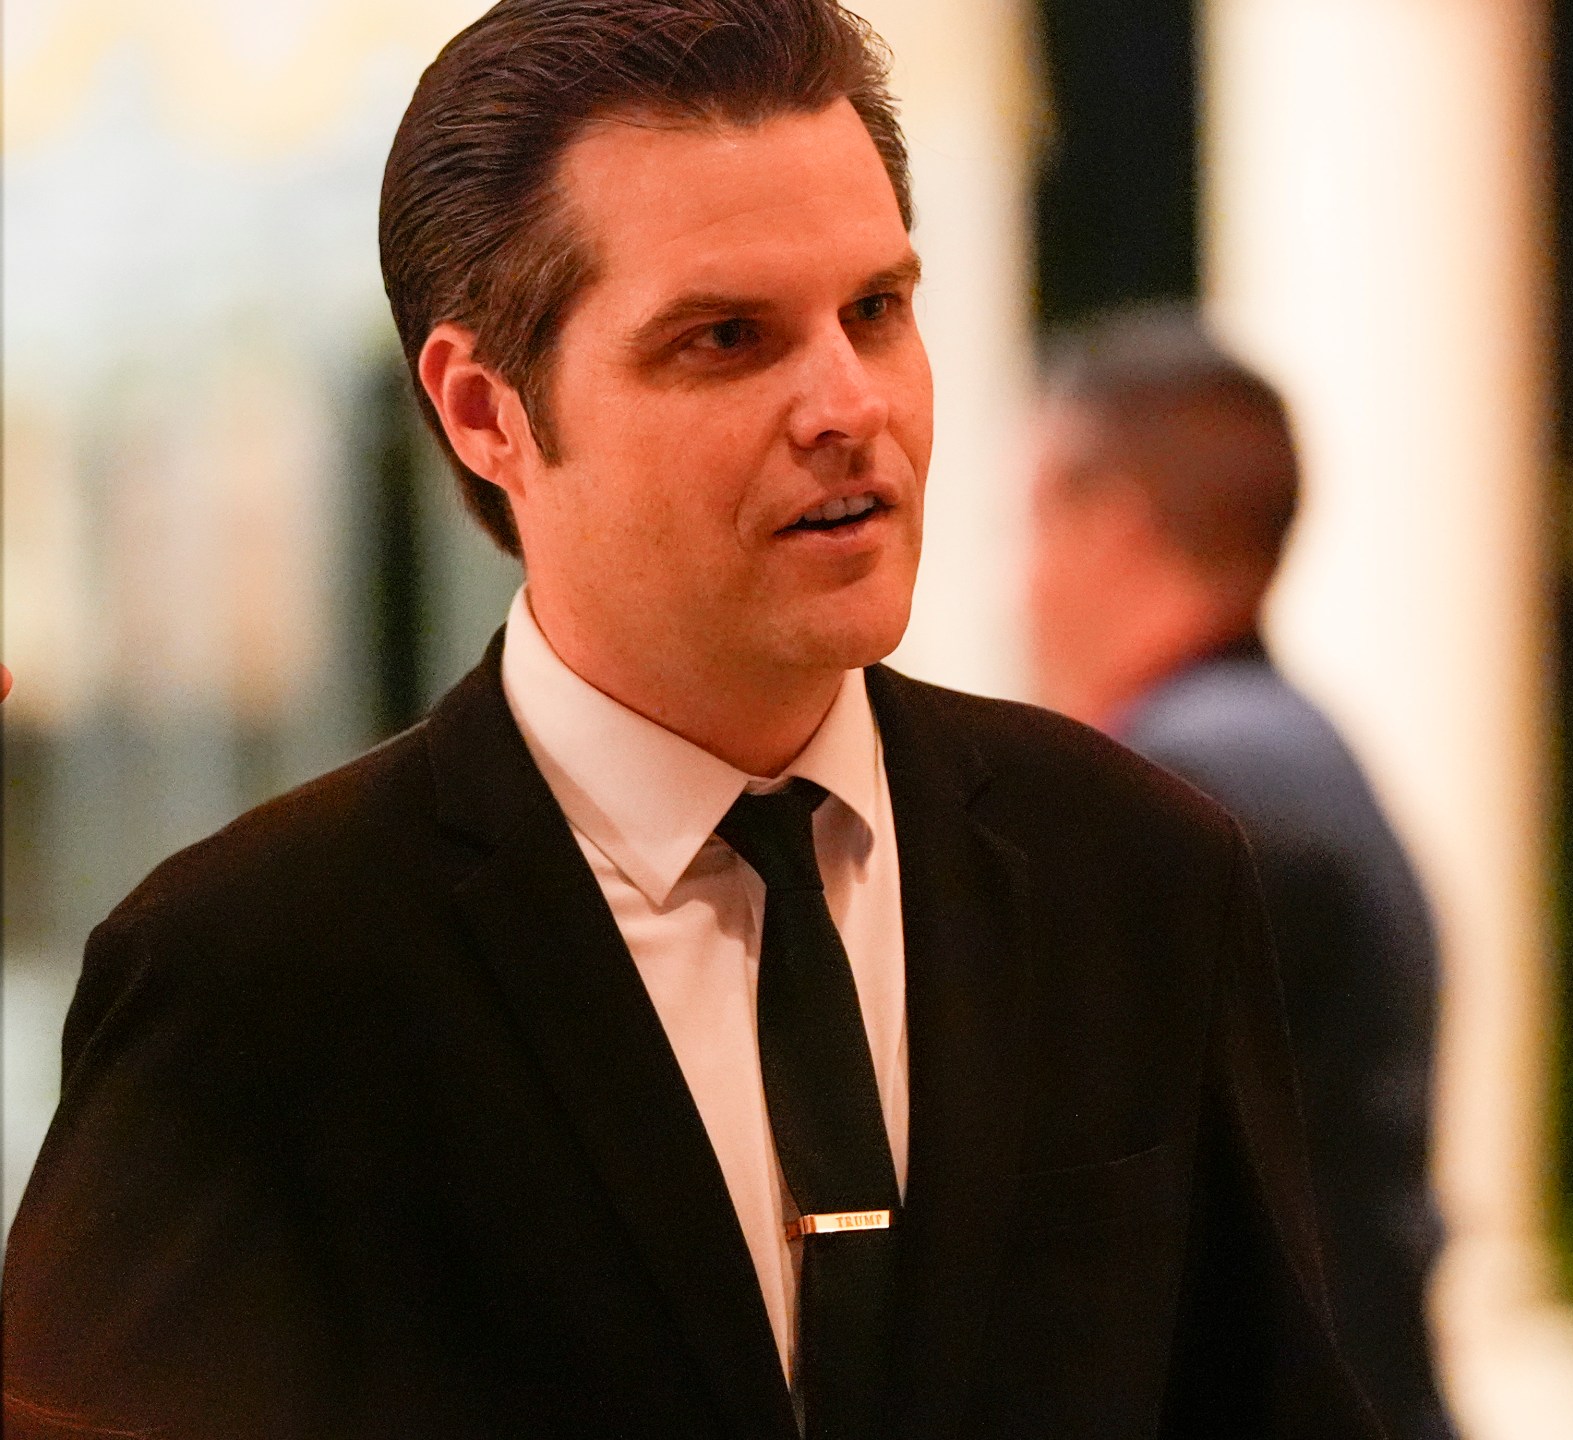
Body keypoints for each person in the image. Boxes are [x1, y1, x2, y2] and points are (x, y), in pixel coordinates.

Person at [0, 4, 1378, 1438]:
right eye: (728, 338)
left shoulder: (1134, 872)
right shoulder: (252, 973)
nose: (848, 406)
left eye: (877, 311)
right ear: (486, 413)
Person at [1024, 312, 1457, 1440]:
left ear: (1110, 531)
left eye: (1033, 524)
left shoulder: (1191, 795)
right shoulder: (1281, 753)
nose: (1021, 584)